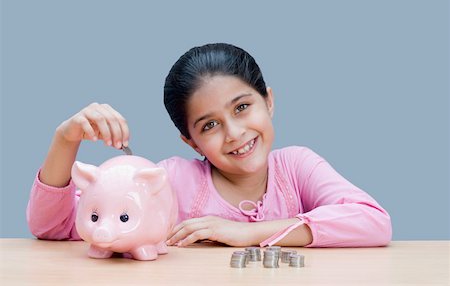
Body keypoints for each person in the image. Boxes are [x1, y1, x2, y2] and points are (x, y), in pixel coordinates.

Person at [27, 43, 392, 248]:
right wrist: (65, 139)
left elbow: (373, 222)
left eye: (243, 107)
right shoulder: (171, 180)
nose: (234, 133)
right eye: (210, 125)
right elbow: (54, 226)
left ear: (269, 101)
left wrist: (247, 233)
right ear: (190, 140)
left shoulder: (297, 166)